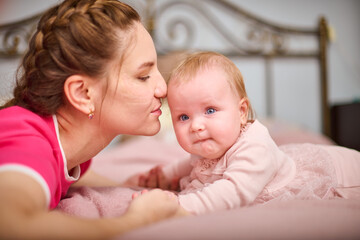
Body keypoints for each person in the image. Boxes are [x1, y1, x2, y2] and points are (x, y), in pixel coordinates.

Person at [0, 0, 188, 239]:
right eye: (143, 76)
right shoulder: (27, 144)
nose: (163, 89)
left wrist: (138, 189)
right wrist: (140, 220)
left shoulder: (69, 151)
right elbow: (10, 227)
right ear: (82, 94)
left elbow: (67, 173)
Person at [133, 51, 360, 215]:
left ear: (241, 112)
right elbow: (191, 164)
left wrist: (180, 206)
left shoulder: (255, 146)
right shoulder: (208, 146)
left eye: (210, 110)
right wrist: (163, 176)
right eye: (183, 117)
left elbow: (232, 192)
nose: (195, 126)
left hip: (345, 175)